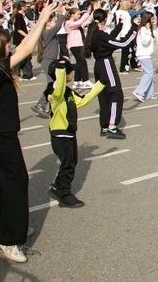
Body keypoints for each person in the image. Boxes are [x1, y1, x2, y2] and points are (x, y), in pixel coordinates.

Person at [0, 1, 59, 263]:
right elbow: (27, 48)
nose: (10, 47)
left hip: (0, 131)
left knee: (6, 182)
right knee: (14, 182)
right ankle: (9, 240)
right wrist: (42, 18)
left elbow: (22, 48)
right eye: (6, 44)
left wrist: (42, 19)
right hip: (0, 133)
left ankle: (11, 228)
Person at [44, 58, 104, 208]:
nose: (73, 74)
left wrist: (100, 84)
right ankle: (63, 193)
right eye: (70, 71)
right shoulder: (52, 91)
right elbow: (58, 94)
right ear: (64, 73)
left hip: (70, 133)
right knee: (68, 163)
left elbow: (82, 101)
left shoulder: (68, 91)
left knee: (71, 162)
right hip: (60, 134)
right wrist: (61, 69)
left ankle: (58, 186)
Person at [85, 8, 137, 139]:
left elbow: (109, 39)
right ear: (104, 20)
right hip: (106, 64)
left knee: (104, 96)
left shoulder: (94, 33)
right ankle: (112, 126)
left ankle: (104, 125)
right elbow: (123, 43)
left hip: (99, 65)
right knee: (116, 94)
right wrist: (134, 28)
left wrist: (120, 25)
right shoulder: (100, 35)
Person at [31, 8, 65, 119]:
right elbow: (58, 26)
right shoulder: (47, 32)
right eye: (53, 21)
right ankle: (41, 104)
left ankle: (49, 105)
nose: (55, 22)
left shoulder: (48, 33)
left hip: (51, 60)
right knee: (52, 83)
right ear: (48, 23)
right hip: (48, 61)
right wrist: (61, 14)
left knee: (54, 83)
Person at [65, 3, 93, 89]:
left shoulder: (76, 23)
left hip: (80, 44)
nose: (79, 15)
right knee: (82, 61)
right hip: (74, 45)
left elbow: (86, 21)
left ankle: (77, 81)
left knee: (79, 62)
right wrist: (87, 12)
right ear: (72, 15)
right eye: (78, 14)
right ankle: (85, 81)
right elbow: (80, 22)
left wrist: (93, 13)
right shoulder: (68, 23)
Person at [133, 11, 156, 102]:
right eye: (152, 19)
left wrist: (152, 29)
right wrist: (148, 31)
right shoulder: (143, 29)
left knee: (150, 74)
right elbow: (145, 41)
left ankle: (149, 93)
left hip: (147, 54)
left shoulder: (147, 29)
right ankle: (139, 91)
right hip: (143, 55)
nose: (153, 20)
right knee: (148, 73)